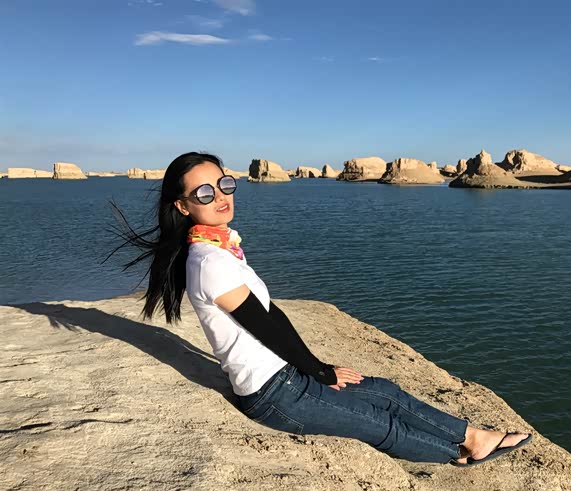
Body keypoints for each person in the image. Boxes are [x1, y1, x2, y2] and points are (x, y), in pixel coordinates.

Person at [109, 151, 533, 466]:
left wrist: (314, 367)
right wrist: (319, 371)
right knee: (379, 425)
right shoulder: (209, 262)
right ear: (183, 206)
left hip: (285, 374)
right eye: (204, 192)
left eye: (224, 184)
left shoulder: (219, 247)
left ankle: (472, 435)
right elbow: (265, 325)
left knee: (384, 392)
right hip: (272, 394)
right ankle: (458, 452)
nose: (220, 196)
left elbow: (270, 314)